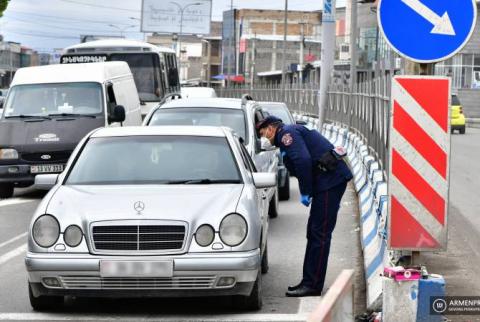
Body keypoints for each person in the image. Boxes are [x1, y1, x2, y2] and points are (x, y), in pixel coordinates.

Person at [256, 116, 353, 297]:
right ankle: (309, 281)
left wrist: (305, 191)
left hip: (329, 183)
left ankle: (312, 285)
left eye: (263, 134)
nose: (264, 139)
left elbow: (302, 160)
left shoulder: (287, 134)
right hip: (327, 183)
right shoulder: (289, 134)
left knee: (319, 233)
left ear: (271, 129)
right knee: (314, 232)